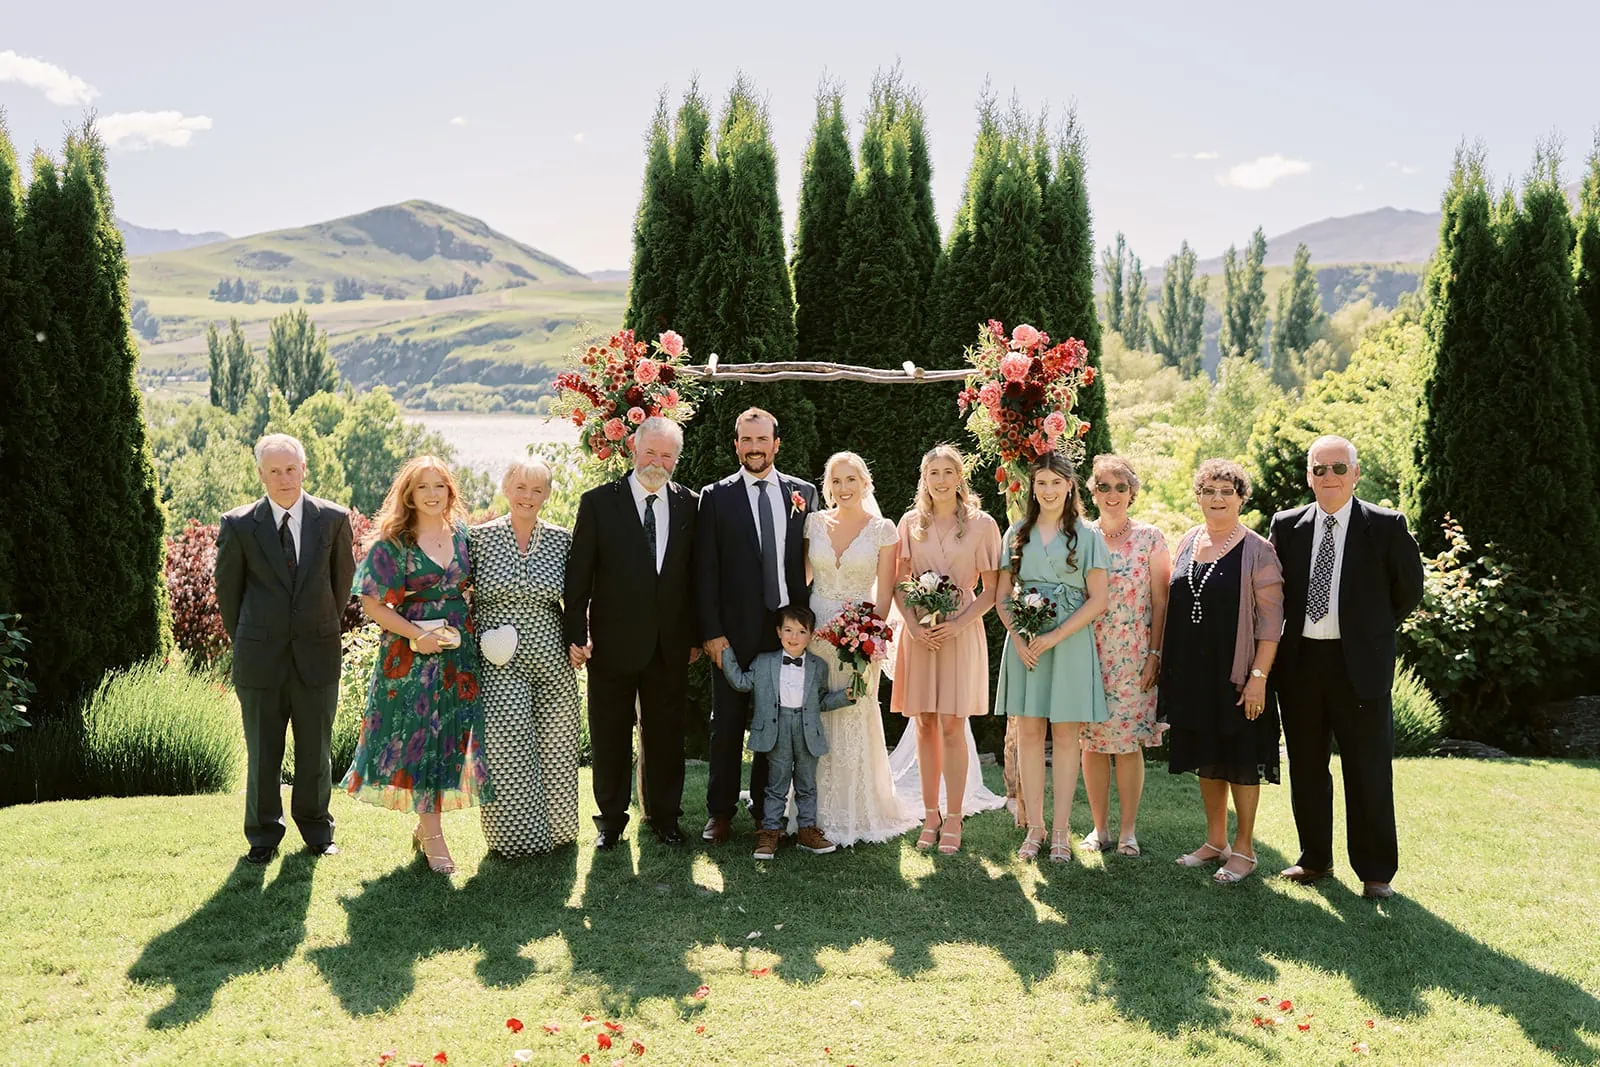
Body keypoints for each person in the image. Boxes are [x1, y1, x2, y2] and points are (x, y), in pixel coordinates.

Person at [1270, 435, 1425, 900]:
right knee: (1307, 768)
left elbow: (1408, 591)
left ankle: (1376, 872)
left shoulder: (1386, 525)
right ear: (1309, 476)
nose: (1329, 478)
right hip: (1300, 665)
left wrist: (1369, 632)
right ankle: (1315, 858)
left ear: (1355, 474)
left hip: (1359, 666)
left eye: (1339, 469)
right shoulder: (1287, 525)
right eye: (1320, 469)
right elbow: (1273, 591)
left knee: (1368, 769)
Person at [341, 456, 492, 874]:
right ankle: (434, 834)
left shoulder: (462, 535)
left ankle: (426, 826)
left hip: (458, 654)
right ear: (408, 493)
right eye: (422, 487)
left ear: (450, 491)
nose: (431, 494)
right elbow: (372, 602)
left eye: (438, 486)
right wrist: (414, 635)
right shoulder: (393, 542)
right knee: (421, 739)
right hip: (412, 657)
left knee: (451, 739)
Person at [214, 433, 355, 864]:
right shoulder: (239, 525)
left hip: (318, 652)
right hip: (260, 658)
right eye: (274, 471)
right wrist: (252, 636)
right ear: (260, 474)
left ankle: (317, 831)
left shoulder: (332, 519)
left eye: (291, 469)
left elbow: (341, 585)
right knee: (262, 753)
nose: (284, 478)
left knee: (315, 752)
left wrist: (317, 625)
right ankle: (262, 836)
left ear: (304, 470)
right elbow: (228, 594)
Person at [565, 417, 699, 849]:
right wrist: (576, 634)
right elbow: (578, 578)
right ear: (633, 451)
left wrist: (696, 636)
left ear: (676, 460)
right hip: (612, 643)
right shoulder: (599, 503)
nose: (657, 462)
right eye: (650, 452)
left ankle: (664, 816)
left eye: (667, 455)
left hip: (670, 645)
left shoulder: (689, 506)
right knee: (610, 735)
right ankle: (610, 821)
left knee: (665, 734)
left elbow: (698, 579)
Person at [695, 408, 817, 845]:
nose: (753, 448)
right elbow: (704, 570)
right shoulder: (715, 496)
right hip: (732, 633)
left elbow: (810, 563)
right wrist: (710, 631)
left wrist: (805, 628)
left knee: (778, 724)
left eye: (761, 440)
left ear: (776, 444)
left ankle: (768, 813)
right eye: (745, 440)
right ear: (736, 445)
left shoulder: (803, 492)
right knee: (726, 723)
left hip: (784, 632)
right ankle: (720, 812)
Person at [1162, 459, 1283, 886]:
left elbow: (1271, 623)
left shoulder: (1258, 550)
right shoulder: (1187, 541)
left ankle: (1245, 849)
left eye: (1226, 492)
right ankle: (1215, 842)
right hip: (1196, 675)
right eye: (1208, 491)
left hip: (1237, 675)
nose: (1217, 499)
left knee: (1239, 759)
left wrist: (1258, 678)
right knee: (1207, 759)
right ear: (1197, 496)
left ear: (1241, 499)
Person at [994, 454, 1111, 862]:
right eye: (1040, 482)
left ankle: (1061, 831)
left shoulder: (1087, 535)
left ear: (1069, 486)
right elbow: (1001, 597)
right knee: (1028, 734)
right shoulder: (1016, 533)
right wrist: (1021, 637)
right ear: (1032, 487)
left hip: (1070, 643)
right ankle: (1036, 829)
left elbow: (1099, 600)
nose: (1047, 490)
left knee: (1065, 737)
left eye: (1055, 482)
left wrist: (1057, 635)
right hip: (1025, 643)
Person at [802, 451, 920, 846]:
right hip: (815, 632)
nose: (844, 488)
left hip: (857, 635)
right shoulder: (813, 523)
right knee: (814, 711)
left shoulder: (883, 529)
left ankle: (856, 808)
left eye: (851, 479)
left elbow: (884, 594)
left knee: (853, 713)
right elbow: (801, 578)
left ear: (865, 483)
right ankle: (808, 809)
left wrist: (866, 639)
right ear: (827, 486)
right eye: (837, 481)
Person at [890, 444, 1003, 855]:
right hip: (919, 632)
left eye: (947, 472)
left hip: (960, 630)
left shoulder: (982, 524)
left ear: (959, 477)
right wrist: (912, 626)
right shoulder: (909, 524)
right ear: (925, 478)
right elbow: (899, 583)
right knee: (923, 723)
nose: (940, 480)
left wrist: (957, 623)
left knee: (953, 724)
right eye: (932, 472)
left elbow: (992, 591)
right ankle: (930, 813)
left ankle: (954, 815)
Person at [469, 457, 581, 857]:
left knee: (558, 743)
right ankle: (517, 842)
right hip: (499, 660)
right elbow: (458, 594)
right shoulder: (478, 539)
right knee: (507, 747)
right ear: (506, 488)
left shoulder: (562, 540)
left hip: (552, 657)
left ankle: (560, 833)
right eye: (521, 487)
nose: (528, 497)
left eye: (537, 490)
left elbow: (578, 597)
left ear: (548, 495)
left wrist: (581, 640)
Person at [1081, 455, 1171, 858]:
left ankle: (1128, 832)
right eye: (1104, 486)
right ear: (1093, 492)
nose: (1112, 494)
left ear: (1132, 493)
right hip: (1087, 652)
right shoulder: (1080, 534)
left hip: (1135, 653)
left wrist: (1155, 652)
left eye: (1120, 487)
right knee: (1092, 741)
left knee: (1128, 741)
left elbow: (1161, 598)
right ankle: (1099, 829)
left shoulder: (1151, 537)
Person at [719, 605, 851, 860]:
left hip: (806, 730)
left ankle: (807, 830)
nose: (794, 637)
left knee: (807, 784)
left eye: (801, 631)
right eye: (788, 630)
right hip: (777, 729)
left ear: (811, 635)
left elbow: (821, 701)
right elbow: (742, 682)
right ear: (778, 632)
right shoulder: (764, 662)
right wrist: (726, 653)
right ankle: (770, 831)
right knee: (776, 784)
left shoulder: (818, 666)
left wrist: (845, 697)